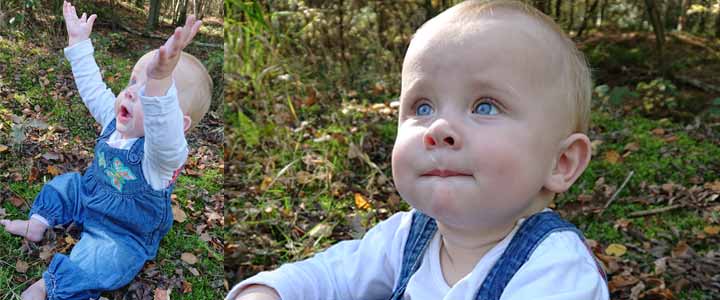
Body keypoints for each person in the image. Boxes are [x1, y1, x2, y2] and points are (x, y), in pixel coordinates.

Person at [228, 0, 609, 299]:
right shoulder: (408, 235)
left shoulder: (556, 270)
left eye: (485, 106)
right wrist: (269, 291)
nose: (439, 128)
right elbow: (332, 274)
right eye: (422, 107)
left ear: (561, 162)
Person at [0, 1, 212, 299]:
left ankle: (50, 286)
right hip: (89, 197)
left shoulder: (162, 158)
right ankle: (37, 224)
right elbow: (93, 88)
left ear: (178, 123)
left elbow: (164, 131)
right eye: (134, 81)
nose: (132, 91)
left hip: (122, 232)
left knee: (101, 260)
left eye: (150, 92)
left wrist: (160, 79)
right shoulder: (115, 120)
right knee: (64, 187)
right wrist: (79, 44)